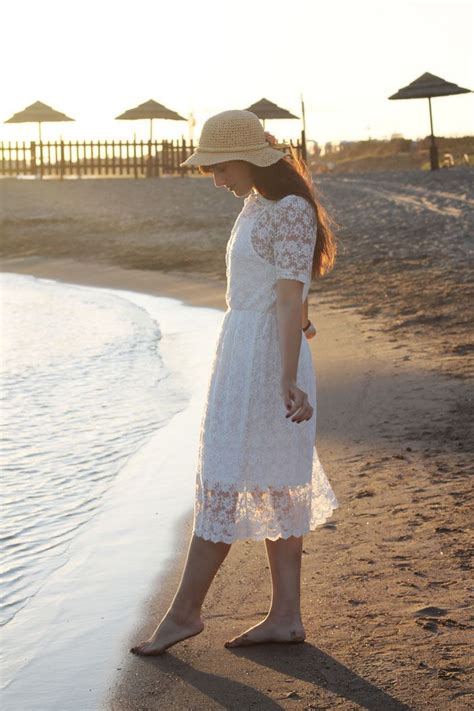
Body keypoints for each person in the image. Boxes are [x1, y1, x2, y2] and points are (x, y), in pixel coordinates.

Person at [130, 109, 339, 656]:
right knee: (270, 479)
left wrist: (288, 377)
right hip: (245, 349)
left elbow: (291, 291)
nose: (216, 179)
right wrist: (299, 318)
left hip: (268, 362)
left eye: (220, 167)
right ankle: (286, 616)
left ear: (248, 159)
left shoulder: (290, 209)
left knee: (230, 476)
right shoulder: (255, 204)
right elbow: (278, 284)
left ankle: (184, 614)